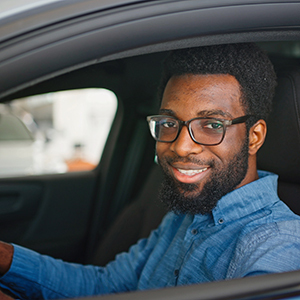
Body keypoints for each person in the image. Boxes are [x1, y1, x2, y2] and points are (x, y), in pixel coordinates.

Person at [1, 43, 300, 300]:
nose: (182, 147)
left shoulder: (278, 248)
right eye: (169, 123)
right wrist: (6, 258)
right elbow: (107, 287)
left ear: (255, 137)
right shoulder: (186, 214)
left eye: (212, 125)